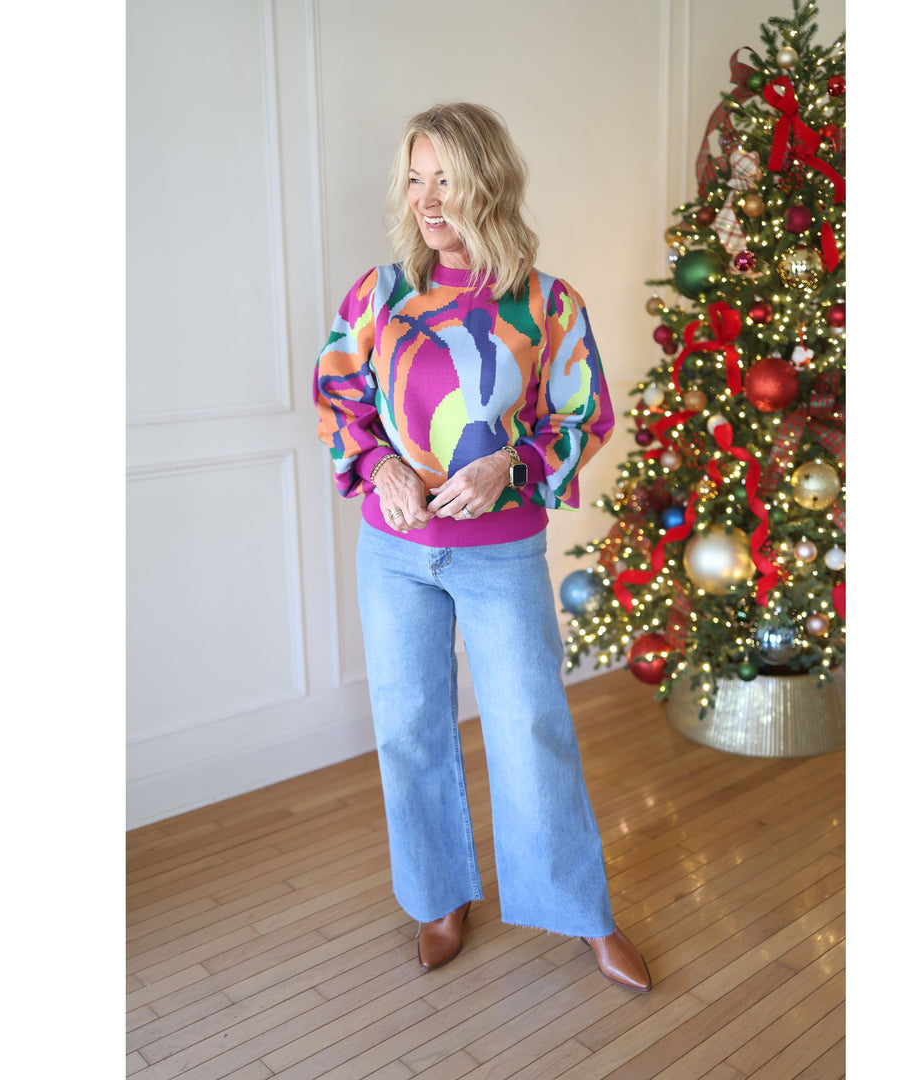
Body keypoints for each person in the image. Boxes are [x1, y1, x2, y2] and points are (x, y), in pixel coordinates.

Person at [313, 102, 651, 993]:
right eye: (415, 178)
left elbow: (583, 415)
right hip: (394, 553)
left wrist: (514, 461)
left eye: (446, 179)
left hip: (500, 554)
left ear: (488, 183)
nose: (427, 199)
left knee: (531, 729)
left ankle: (583, 913)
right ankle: (439, 898)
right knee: (410, 730)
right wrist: (380, 463)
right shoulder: (379, 296)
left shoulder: (548, 303)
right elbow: (340, 399)